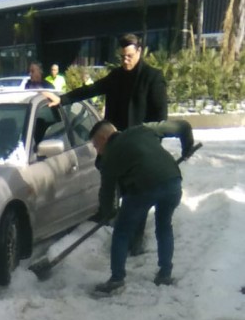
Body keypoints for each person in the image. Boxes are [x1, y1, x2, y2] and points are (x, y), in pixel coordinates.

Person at [43, 34, 168, 255]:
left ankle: (134, 241)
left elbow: (160, 119)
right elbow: (91, 90)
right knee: (118, 192)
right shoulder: (116, 77)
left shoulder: (153, 78)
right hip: (115, 147)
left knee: (135, 197)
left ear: (139, 51)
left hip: (139, 150)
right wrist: (62, 99)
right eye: (122, 57)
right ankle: (119, 229)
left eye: (129, 56)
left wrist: (150, 146)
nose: (125, 61)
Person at [88, 117, 196, 295]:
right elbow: (183, 125)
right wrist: (187, 147)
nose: (96, 150)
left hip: (143, 189)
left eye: (95, 145)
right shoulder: (144, 129)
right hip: (172, 183)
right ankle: (165, 274)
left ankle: (116, 279)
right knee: (164, 226)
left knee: (122, 232)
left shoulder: (109, 156)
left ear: (103, 138)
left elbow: (107, 192)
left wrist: (109, 213)